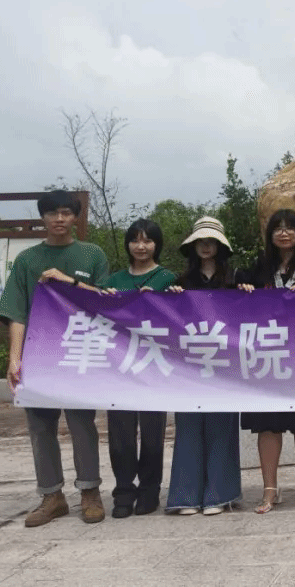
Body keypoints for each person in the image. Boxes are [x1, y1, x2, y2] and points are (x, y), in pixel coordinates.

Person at [0, 190, 109, 527]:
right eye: (52, 213)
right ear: (42, 217)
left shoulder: (92, 254)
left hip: (78, 352)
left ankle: (90, 492)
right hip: (39, 353)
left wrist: (69, 281)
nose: (59, 219)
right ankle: (51, 496)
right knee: (40, 426)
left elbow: (106, 300)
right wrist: (14, 359)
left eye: (66, 213)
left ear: (75, 217)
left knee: (82, 423)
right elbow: (17, 313)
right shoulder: (27, 260)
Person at [236, 209, 295, 512]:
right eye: (277, 228)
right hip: (268, 357)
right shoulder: (258, 268)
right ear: (270, 235)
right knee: (268, 424)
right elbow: (237, 304)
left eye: (290, 227)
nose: (283, 233)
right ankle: (270, 490)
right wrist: (245, 291)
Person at [101, 219, 179, 518]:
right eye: (135, 240)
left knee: (152, 435)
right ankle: (123, 491)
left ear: (157, 245)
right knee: (120, 436)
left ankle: (149, 490)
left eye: (148, 240)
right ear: (128, 244)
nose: (141, 246)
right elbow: (95, 313)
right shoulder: (114, 280)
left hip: (153, 367)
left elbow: (177, 318)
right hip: (119, 367)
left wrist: (169, 298)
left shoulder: (167, 278)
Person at [165, 216, 242, 515]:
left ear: (220, 246)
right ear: (193, 246)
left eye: (211, 241)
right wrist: (171, 299)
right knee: (188, 428)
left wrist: (247, 293)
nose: (206, 246)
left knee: (222, 428)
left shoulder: (235, 278)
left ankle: (219, 495)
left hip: (224, 365)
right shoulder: (180, 282)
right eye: (201, 241)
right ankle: (185, 496)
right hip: (189, 366)